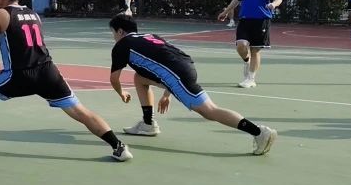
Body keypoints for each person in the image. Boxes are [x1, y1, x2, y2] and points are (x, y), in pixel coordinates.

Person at [0, 0, 131, 161]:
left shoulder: (0, 14)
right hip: (48, 71)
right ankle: (118, 146)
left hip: (21, 75)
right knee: (80, 111)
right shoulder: (33, 14)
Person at [107, 14, 277, 154]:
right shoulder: (149, 36)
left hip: (176, 75)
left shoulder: (122, 45)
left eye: (113, 32)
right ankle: (148, 124)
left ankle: (259, 132)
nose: (113, 36)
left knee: (210, 111)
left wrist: (122, 93)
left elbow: (114, 79)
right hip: (185, 66)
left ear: (120, 31)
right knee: (140, 78)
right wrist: (167, 92)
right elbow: (166, 59)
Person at [219, 0, 282, 88]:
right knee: (241, 45)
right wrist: (225, 12)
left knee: (255, 50)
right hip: (245, 19)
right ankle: (246, 61)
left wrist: (274, 4)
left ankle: (251, 79)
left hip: (261, 21)